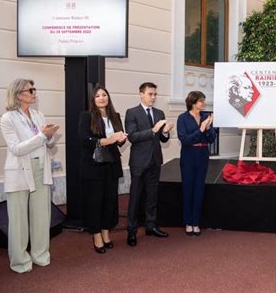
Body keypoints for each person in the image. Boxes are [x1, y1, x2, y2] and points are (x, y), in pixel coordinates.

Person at [0, 78, 59, 273]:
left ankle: (40, 256)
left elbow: (47, 145)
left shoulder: (38, 114)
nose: (34, 93)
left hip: (41, 168)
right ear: (18, 95)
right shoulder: (8, 118)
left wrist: (49, 137)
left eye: (34, 89)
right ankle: (20, 262)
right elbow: (17, 149)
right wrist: (42, 136)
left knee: (42, 215)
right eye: (30, 90)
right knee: (18, 219)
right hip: (19, 170)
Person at [78, 85, 128, 254]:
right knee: (95, 202)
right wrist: (106, 140)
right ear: (93, 99)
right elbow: (84, 140)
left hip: (111, 164)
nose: (101, 98)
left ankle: (106, 232)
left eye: (104, 95)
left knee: (110, 201)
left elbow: (119, 141)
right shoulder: (86, 116)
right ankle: (96, 235)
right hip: (94, 166)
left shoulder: (115, 116)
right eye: (98, 95)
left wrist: (121, 138)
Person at [125, 82, 174, 246]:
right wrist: (153, 130)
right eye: (150, 94)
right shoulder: (132, 112)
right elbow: (132, 136)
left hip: (154, 160)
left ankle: (150, 226)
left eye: (155, 94)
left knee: (152, 196)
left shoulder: (159, 113)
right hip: (139, 162)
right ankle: (131, 231)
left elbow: (162, 139)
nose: (153, 97)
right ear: (141, 94)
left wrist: (165, 132)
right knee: (135, 197)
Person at [177, 91, 216, 236]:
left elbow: (212, 139)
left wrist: (207, 129)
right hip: (188, 155)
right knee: (188, 188)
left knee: (199, 188)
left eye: (204, 101)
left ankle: (196, 222)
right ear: (193, 102)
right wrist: (200, 130)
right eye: (201, 101)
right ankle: (188, 222)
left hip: (202, 154)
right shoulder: (182, 118)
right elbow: (185, 140)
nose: (204, 104)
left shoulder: (206, 116)